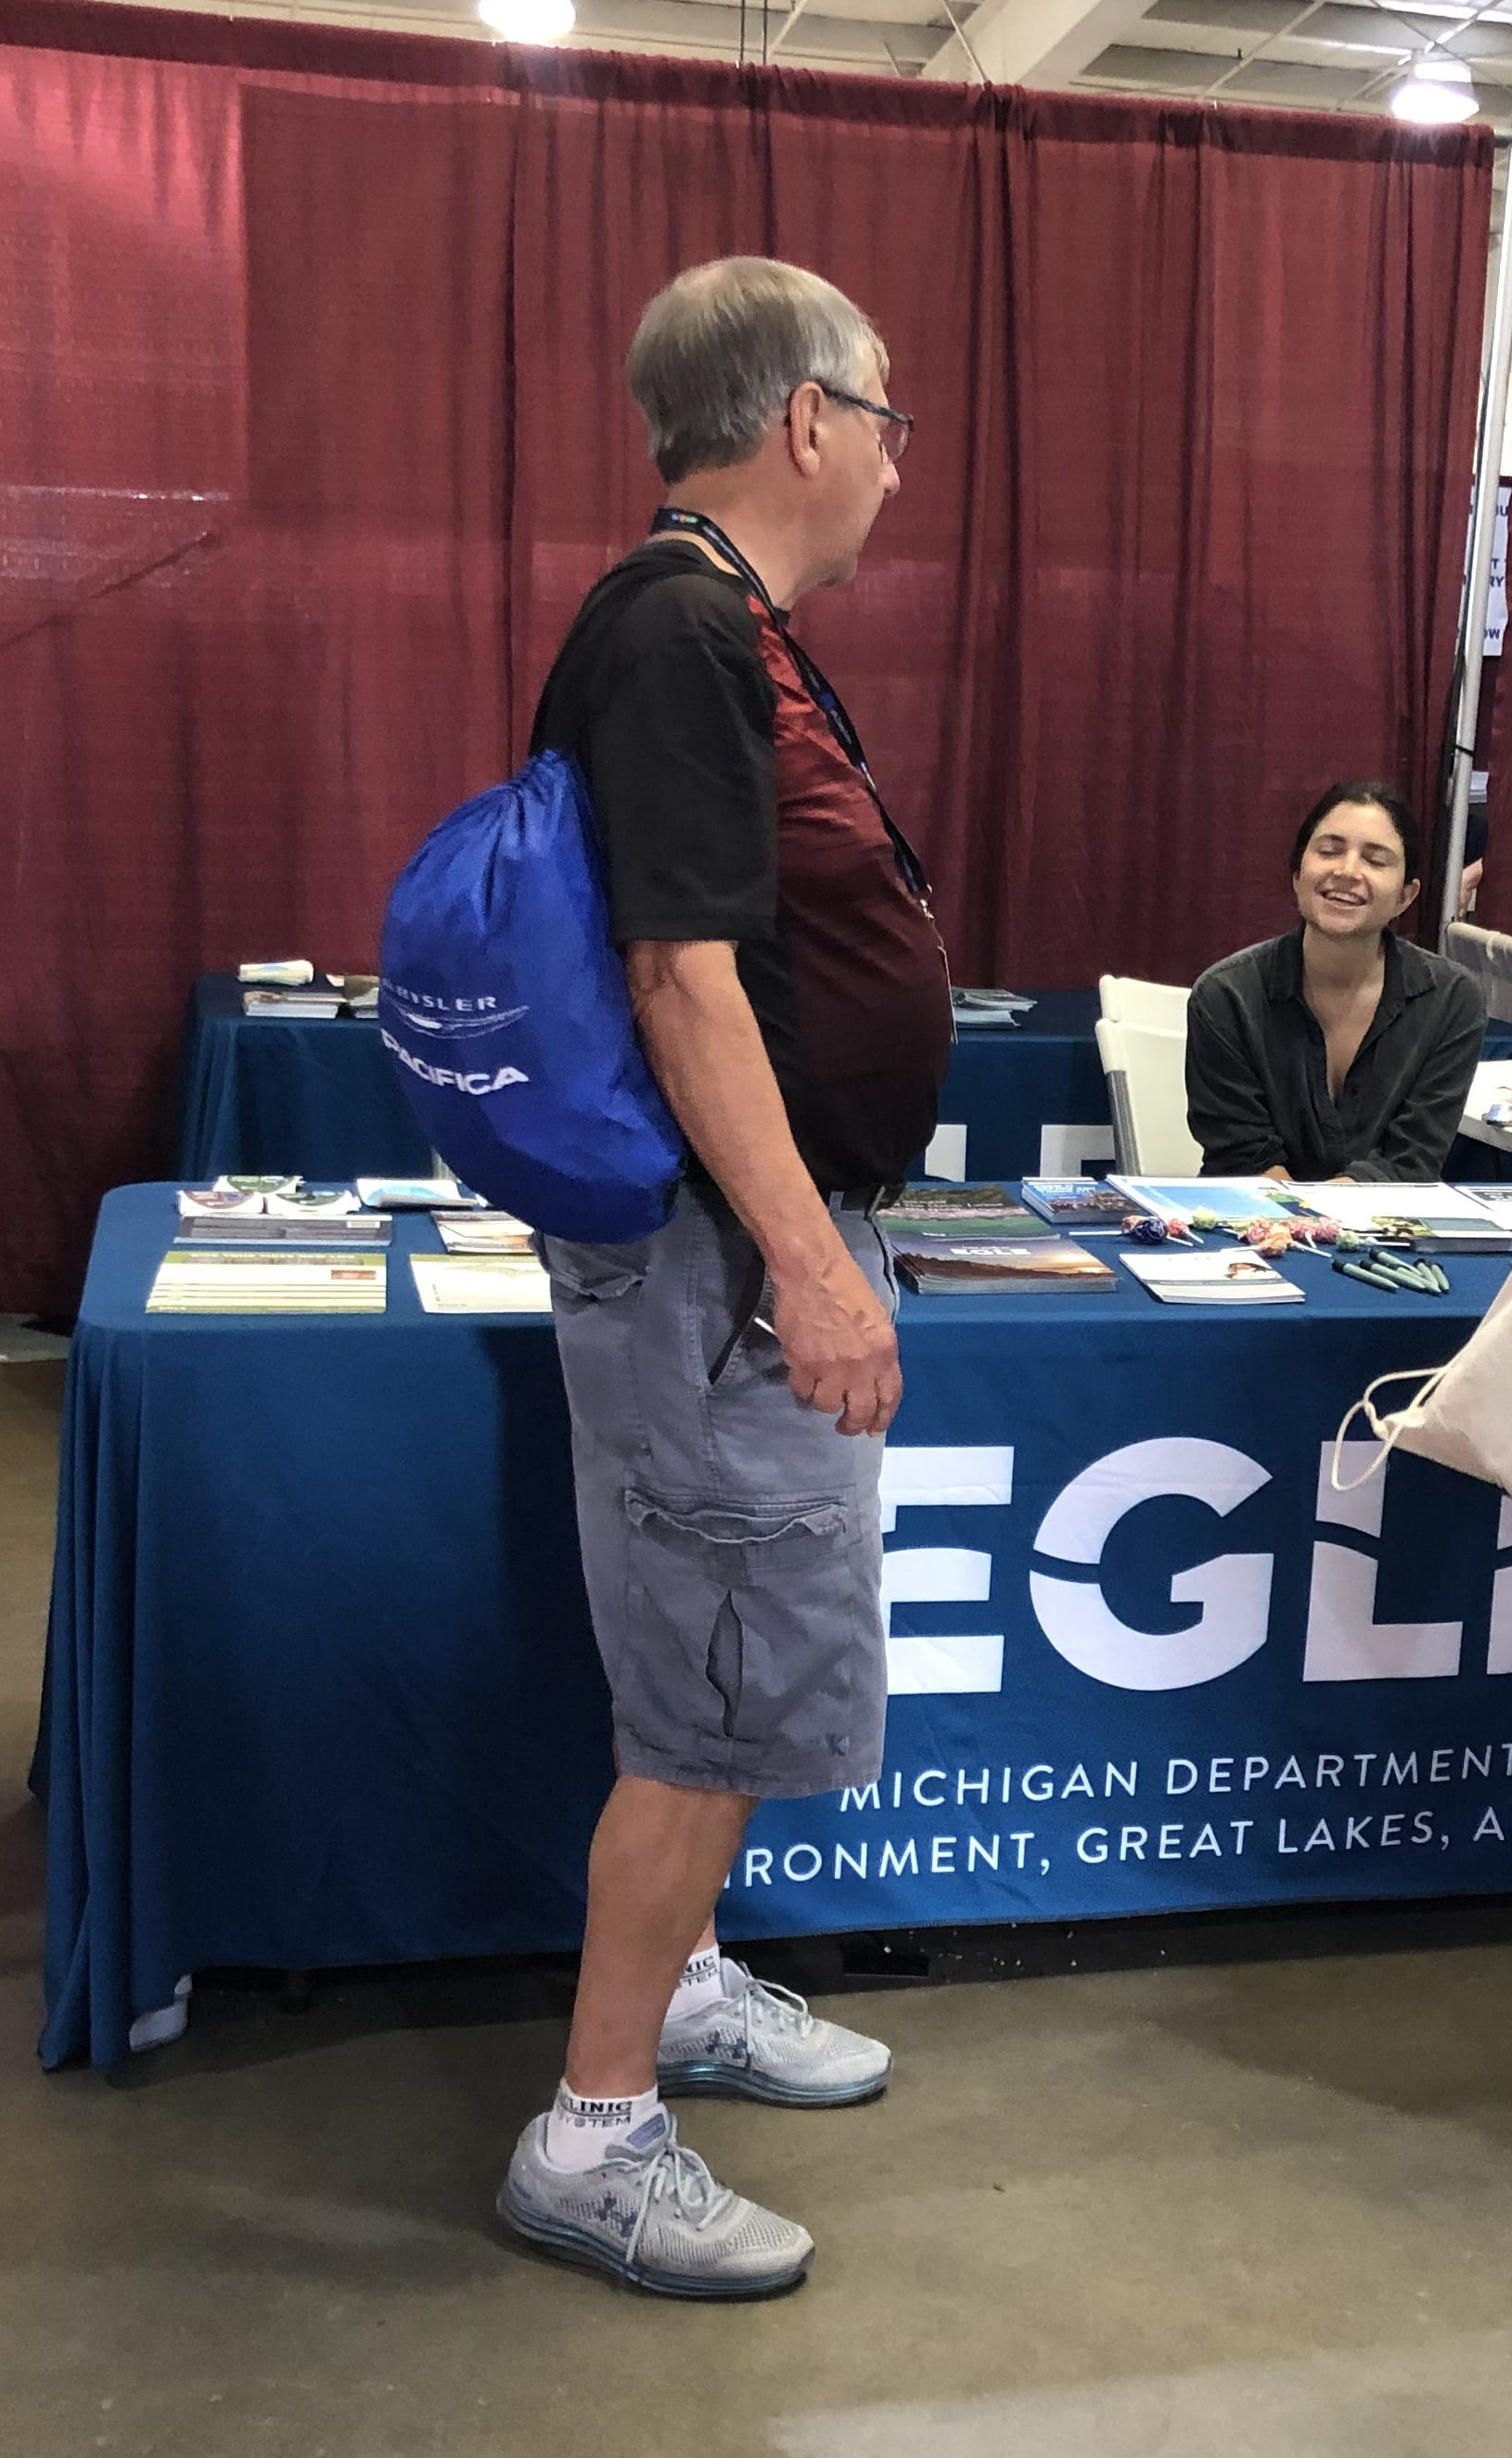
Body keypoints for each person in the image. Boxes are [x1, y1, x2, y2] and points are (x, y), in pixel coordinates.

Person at [495, 258, 950, 2296]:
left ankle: (674, 1991)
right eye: (885, 419)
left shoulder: (715, 623)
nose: (889, 459)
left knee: (730, 1672)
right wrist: (807, 1261)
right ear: (802, 421)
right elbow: (681, 978)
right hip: (718, 1268)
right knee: (698, 1700)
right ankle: (593, 2130)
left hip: (732, 1255)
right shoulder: (685, 629)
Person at [1185, 783, 1486, 1182]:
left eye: (1376, 860)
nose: (1346, 872)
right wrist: (1307, 1230)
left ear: (1405, 896)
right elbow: (1244, 1159)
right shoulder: (1225, 997)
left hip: (1386, 1232)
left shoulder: (1452, 1001)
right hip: (1250, 1228)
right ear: (1297, 874)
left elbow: (1410, 1163)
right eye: (1329, 850)